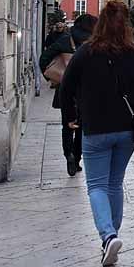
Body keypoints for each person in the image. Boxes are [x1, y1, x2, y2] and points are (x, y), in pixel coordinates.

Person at [58, 1, 134, 267]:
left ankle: (108, 235)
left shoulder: (86, 52)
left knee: (97, 185)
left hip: (95, 128)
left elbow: (65, 88)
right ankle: (110, 237)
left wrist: (69, 118)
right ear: (127, 25)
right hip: (127, 129)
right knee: (115, 183)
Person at [40, 14, 97, 177]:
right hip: (87, 91)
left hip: (66, 89)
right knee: (82, 127)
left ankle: (69, 156)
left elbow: (44, 58)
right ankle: (77, 158)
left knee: (67, 124)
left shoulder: (65, 39)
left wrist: (54, 77)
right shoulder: (94, 42)